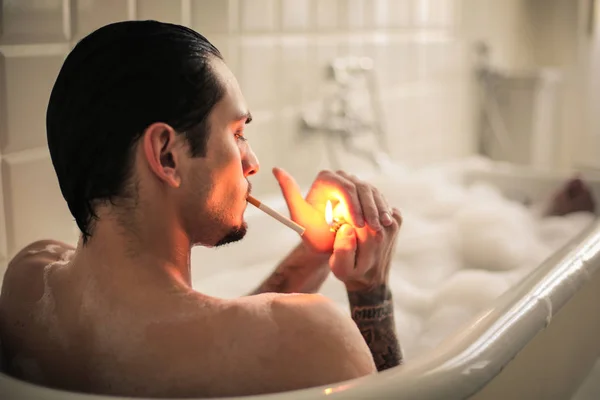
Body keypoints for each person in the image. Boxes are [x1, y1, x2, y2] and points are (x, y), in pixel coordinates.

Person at [0, 21, 404, 398]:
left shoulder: (28, 284)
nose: (252, 161)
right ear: (167, 155)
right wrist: (371, 292)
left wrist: (313, 253)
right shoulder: (318, 340)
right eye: (237, 133)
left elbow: (214, 342)